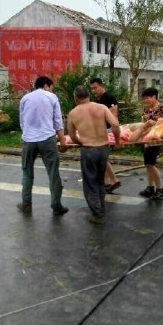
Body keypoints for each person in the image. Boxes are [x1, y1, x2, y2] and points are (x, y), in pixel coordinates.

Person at [67, 85, 120, 225]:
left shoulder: (73, 113)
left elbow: (72, 136)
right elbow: (115, 124)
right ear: (88, 95)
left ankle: (98, 215)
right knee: (100, 181)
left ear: (75, 98)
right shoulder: (101, 107)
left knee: (90, 183)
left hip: (88, 149)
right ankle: (101, 209)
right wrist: (118, 141)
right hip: (103, 148)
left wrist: (80, 142)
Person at [17, 75, 68, 216]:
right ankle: (56, 206)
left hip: (28, 140)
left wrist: (28, 134)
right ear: (46, 85)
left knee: (27, 173)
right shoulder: (51, 98)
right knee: (53, 173)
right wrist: (63, 141)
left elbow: (22, 122)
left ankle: (26, 204)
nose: (52, 90)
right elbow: (58, 121)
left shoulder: (25, 98)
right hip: (47, 139)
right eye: (51, 88)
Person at [89, 77, 121, 193]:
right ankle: (107, 182)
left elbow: (113, 116)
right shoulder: (98, 100)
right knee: (102, 157)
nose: (93, 91)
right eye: (92, 89)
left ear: (102, 86)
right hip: (102, 131)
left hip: (109, 131)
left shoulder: (109, 98)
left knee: (102, 157)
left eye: (95, 88)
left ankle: (113, 180)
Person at [138, 87, 163, 200]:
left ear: (154, 97)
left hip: (156, 139)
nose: (146, 100)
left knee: (151, 163)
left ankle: (160, 189)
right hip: (145, 138)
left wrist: (148, 118)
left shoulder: (162, 108)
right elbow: (143, 123)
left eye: (147, 98)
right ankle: (150, 187)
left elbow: (160, 122)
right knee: (148, 164)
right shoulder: (148, 109)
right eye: (144, 98)